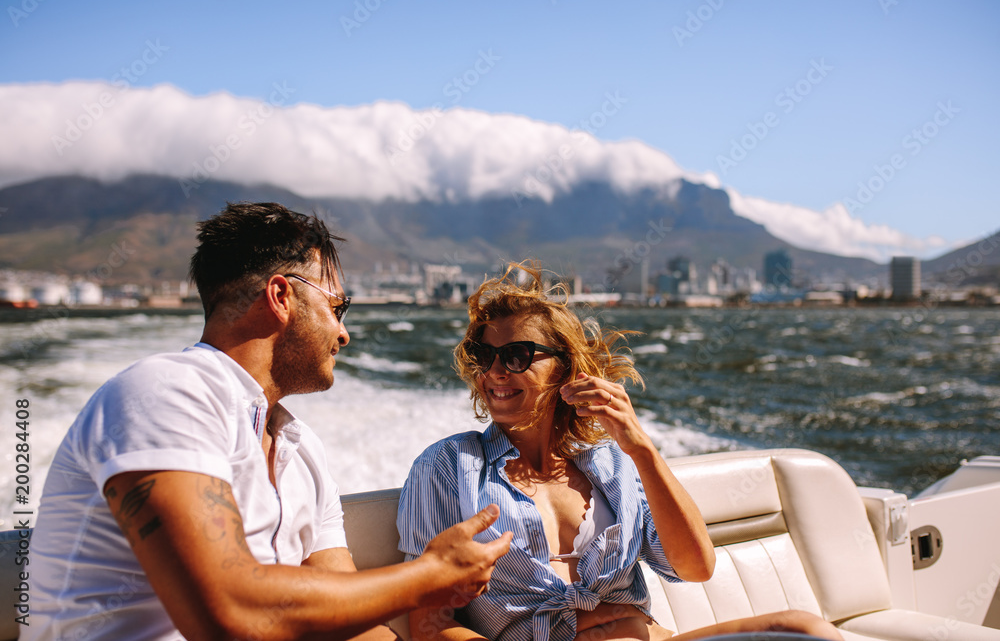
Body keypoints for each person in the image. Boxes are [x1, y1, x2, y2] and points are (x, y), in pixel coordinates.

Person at [25, 202, 511, 641]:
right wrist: (428, 577)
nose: (343, 334)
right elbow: (228, 611)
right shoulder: (164, 393)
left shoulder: (301, 450)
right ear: (281, 296)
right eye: (337, 308)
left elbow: (345, 621)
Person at [397, 261, 843, 641]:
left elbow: (695, 566)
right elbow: (429, 625)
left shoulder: (611, 464)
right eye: (483, 355)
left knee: (806, 628)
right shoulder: (449, 468)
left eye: (516, 355)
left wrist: (640, 448)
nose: (495, 371)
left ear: (566, 368)